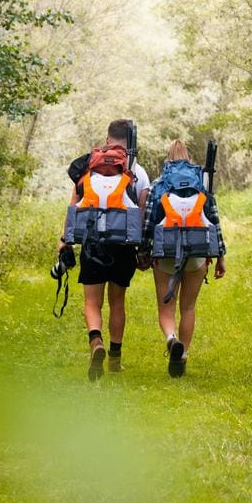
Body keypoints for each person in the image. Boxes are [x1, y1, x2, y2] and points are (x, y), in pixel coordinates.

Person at [58, 119, 150, 380]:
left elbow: (74, 204)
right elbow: (141, 213)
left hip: (91, 242)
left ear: (108, 140)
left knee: (92, 301)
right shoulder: (137, 172)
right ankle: (115, 360)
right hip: (122, 245)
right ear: (131, 142)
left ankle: (95, 340)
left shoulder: (89, 168)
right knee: (117, 302)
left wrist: (64, 240)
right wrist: (142, 249)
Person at [141, 139, 226, 378]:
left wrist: (144, 251)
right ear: (189, 157)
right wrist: (220, 256)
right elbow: (214, 221)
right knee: (188, 307)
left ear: (167, 158)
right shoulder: (203, 182)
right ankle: (184, 354)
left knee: (165, 309)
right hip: (198, 252)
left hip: (166, 252)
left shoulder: (160, 184)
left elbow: (149, 222)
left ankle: (171, 339)